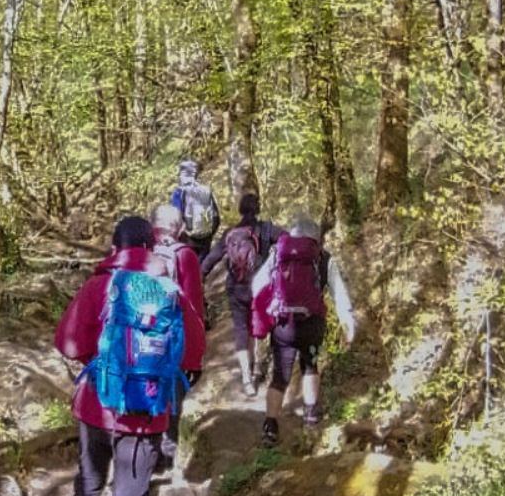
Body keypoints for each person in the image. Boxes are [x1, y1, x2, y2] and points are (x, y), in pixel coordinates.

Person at [56, 214, 206, 496]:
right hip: (148, 418)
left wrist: (99, 358)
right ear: (152, 247)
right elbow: (194, 353)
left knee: (89, 484)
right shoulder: (170, 292)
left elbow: (67, 342)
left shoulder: (98, 286)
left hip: (96, 409)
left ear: (113, 247)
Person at [249, 213, 356, 441]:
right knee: (310, 367)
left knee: (280, 376)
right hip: (312, 325)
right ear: (316, 238)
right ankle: (310, 418)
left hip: (283, 325)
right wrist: (348, 322)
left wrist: (269, 309)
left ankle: (270, 427)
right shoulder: (323, 258)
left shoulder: (278, 254)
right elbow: (339, 292)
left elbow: (257, 286)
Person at [201, 191, 277, 395]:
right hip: (260, 288)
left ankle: (246, 377)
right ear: (258, 208)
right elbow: (288, 242)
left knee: (241, 329)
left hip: (236, 288)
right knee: (258, 326)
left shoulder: (231, 233)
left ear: (240, 209)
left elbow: (212, 258)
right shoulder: (267, 229)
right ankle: (257, 367)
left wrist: (200, 276)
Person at [149, 200, 206, 466]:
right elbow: (192, 307)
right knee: (171, 400)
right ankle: (165, 457)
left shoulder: (140, 250)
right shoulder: (185, 255)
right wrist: (194, 357)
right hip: (172, 344)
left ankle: (143, 460)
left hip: (136, 342)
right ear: (181, 227)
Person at [169, 158, 220, 256]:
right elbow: (216, 218)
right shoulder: (206, 190)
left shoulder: (179, 192)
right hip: (205, 239)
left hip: (187, 240)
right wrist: (208, 234)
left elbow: (175, 218)